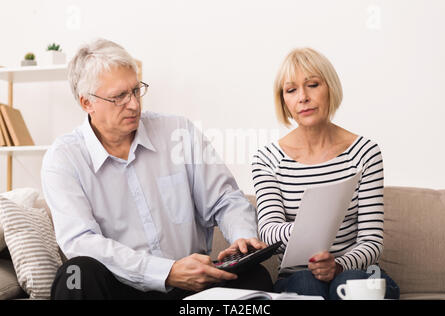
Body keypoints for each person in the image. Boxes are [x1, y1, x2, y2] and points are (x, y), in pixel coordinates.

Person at [42, 38, 273, 300]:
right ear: (87, 103)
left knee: (256, 277)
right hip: (122, 289)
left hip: (190, 292)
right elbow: (81, 241)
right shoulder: (63, 158)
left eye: (136, 90)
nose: (133, 104)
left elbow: (226, 199)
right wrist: (166, 271)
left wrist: (241, 240)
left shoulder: (178, 132)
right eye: (119, 96)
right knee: (75, 275)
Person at [251, 47, 400, 300]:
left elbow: (372, 240)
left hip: (357, 270)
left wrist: (339, 265)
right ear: (284, 101)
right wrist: (310, 226)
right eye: (291, 90)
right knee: (307, 285)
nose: (303, 97)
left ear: (329, 87)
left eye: (312, 85)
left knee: (349, 283)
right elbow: (268, 229)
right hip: (297, 275)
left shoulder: (365, 152)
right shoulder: (266, 160)